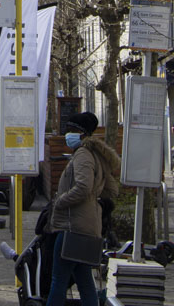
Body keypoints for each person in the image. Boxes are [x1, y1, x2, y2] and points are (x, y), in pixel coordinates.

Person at [47, 111, 122, 306]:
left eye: (71, 130)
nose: (67, 135)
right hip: (90, 228)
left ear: (82, 134)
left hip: (73, 226)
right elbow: (112, 189)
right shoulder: (97, 156)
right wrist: (96, 202)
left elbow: (82, 187)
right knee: (84, 280)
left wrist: (60, 201)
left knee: (58, 280)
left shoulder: (82, 154)